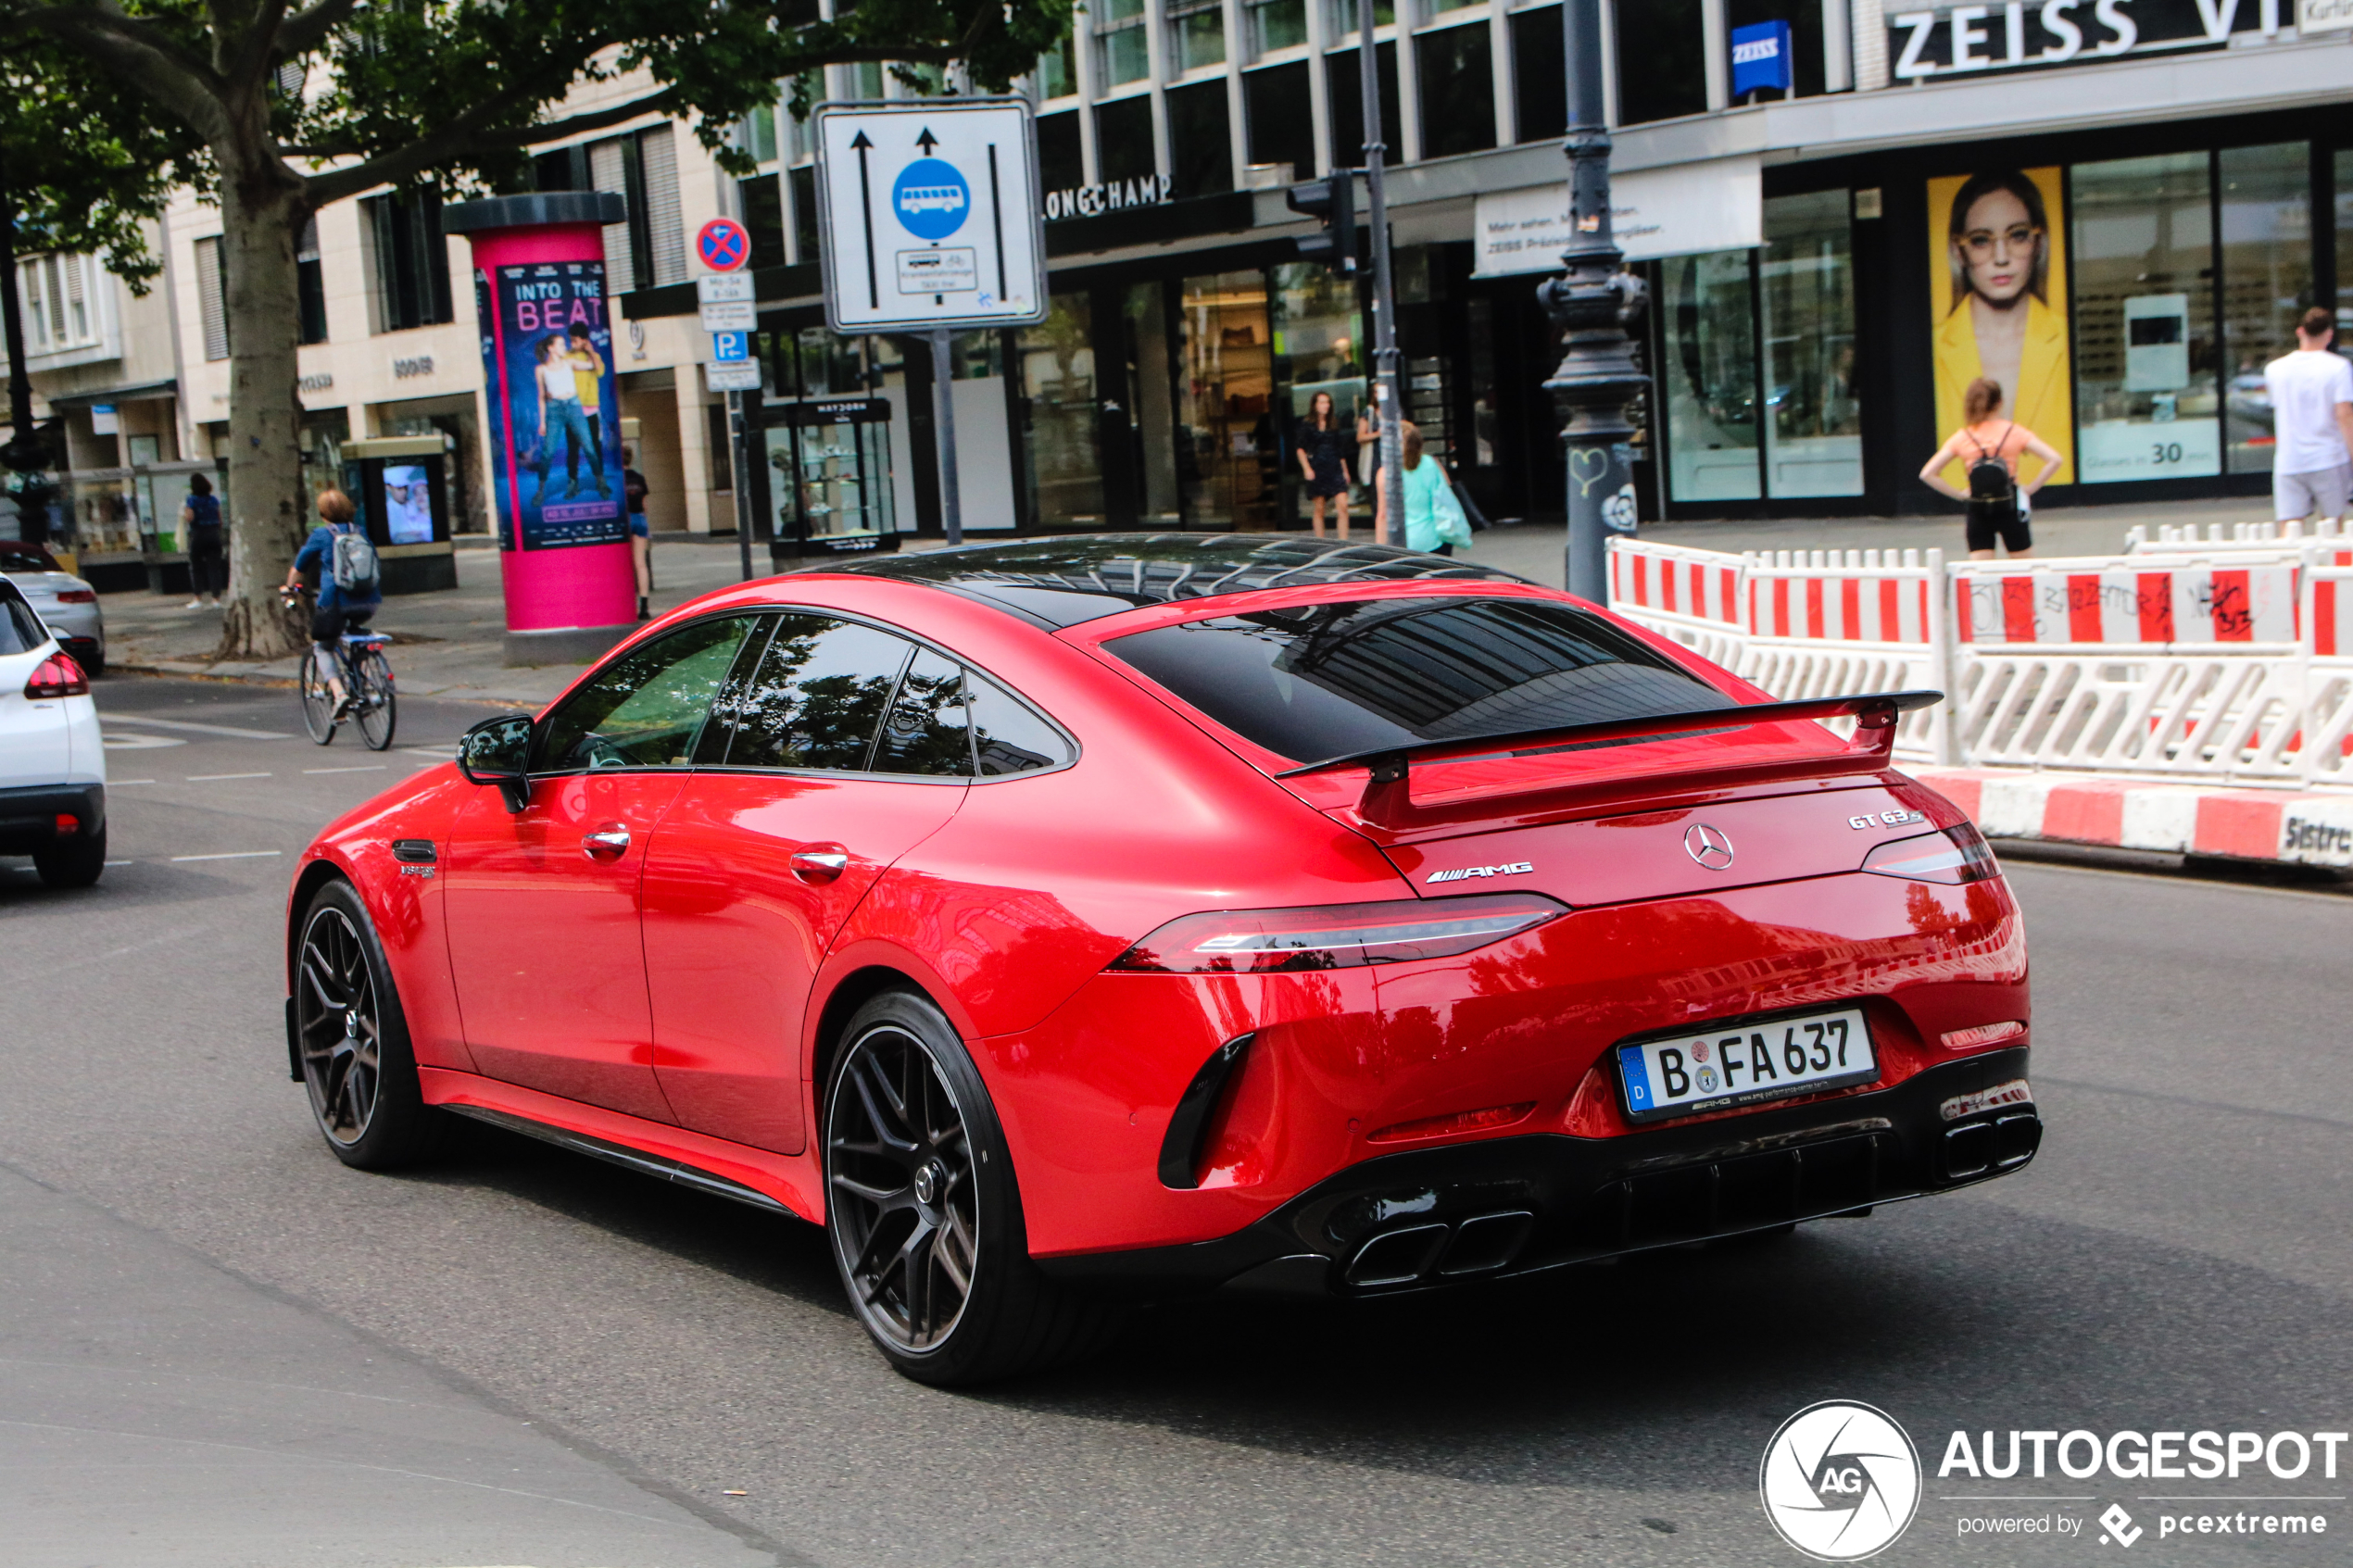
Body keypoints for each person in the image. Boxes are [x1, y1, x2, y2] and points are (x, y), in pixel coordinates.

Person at [1933, 170, 2069, 490]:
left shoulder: (2065, 336)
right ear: (1959, 250)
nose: (2001, 258)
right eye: (1981, 240)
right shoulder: (1934, 345)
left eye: (2017, 235)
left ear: (2038, 242)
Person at [1919, 376, 2064, 560]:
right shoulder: (2014, 432)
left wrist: (1962, 495)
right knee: (2023, 573)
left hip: (1978, 509)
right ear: (2000, 403)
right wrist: (2029, 489)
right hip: (2010, 506)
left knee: (1982, 576)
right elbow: (2054, 459)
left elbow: (1928, 473)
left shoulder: (1963, 437)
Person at [283, 488, 380, 718]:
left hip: (335, 602)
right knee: (359, 639)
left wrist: (288, 591)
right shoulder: (361, 532)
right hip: (369, 601)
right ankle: (366, 686)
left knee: (324, 646)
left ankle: (339, 694)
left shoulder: (321, 535)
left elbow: (299, 568)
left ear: (323, 514)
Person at [2261, 307, 2353, 523]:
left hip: (2289, 459)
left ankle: (2291, 558)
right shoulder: (2338, 367)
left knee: (2290, 527)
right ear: (2329, 335)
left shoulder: (2274, 369)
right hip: (2329, 457)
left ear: (2300, 331)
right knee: (2332, 527)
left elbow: (2275, 406)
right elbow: (2344, 415)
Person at [1372, 421, 1474, 558]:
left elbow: (1383, 515)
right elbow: (1447, 493)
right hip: (1436, 538)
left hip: (1406, 543)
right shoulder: (1431, 463)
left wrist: (1380, 550)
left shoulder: (1385, 474)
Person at [532, 335, 602, 502]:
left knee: (589, 446)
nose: (565, 347)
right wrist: (542, 422)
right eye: (561, 344)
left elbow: (594, 367)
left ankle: (600, 481)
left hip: (573, 405)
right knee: (548, 452)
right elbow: (541, 397)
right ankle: (541, 490)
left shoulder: (569, 362)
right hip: (555, 409)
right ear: (551, 348)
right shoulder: (541, 369)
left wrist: (590, 352)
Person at [1294, 390, 1351, 539]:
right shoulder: (1307, 425)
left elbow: (1340, 450)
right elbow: (1300, 448)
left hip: (1334, 467)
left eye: (1327, 402)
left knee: (1343, 505)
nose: (1326, 405)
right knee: (1319, 508)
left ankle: (1343, 541)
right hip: (1317, 467)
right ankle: (1321, 540)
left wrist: (1345, 471)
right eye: (1322, 402)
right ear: (1315, 405)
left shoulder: (1334, 423)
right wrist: (1307, 468)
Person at [181, 472, 225, 608]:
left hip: (198, 534)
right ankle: (216, 599)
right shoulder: (213, 500)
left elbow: (189, 517)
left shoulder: (191, 500)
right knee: (214, 568)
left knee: (196, 567)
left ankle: (198, 597)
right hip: (213, 534)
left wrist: (183, 514)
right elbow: (220, 519)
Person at [623, 444, 652, 620]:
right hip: (640, 519)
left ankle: (627, 603)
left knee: (623, 564)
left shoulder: (616, 478)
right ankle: (644, 606)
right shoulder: (639, 478)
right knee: (640, 563)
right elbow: (644, 504)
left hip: (624, 519)